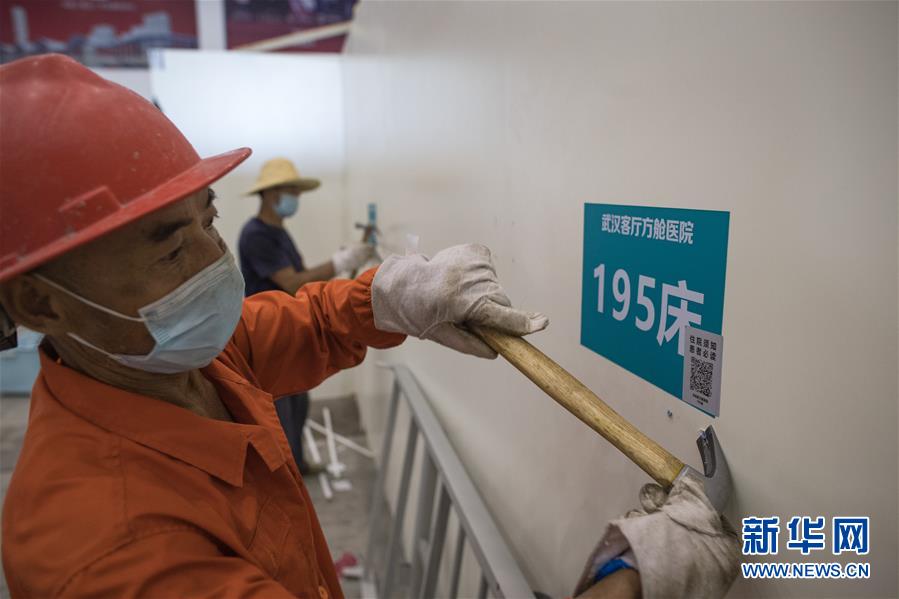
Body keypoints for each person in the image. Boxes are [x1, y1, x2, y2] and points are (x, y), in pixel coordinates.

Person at [0, 55, 738, 598]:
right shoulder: (109, 549)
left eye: (207, 221)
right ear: (41, 304)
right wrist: (631, 580)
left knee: (844, 551)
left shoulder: (175, 360)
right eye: (167, 247)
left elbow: (299, 320)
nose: (211, 262)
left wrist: (391, 295)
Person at [238, 158, 372, 475]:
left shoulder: (278, 233)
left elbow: (302, 280)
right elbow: (292, 283)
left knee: (298, 404)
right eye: (291, 191)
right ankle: (285, 479)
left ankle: (298, 465)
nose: (296, 198)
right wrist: (339, 263)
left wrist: (344, 267)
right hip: (269, 338)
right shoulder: (256, 235)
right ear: (271, 194)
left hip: (289, 332)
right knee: (280, 414)